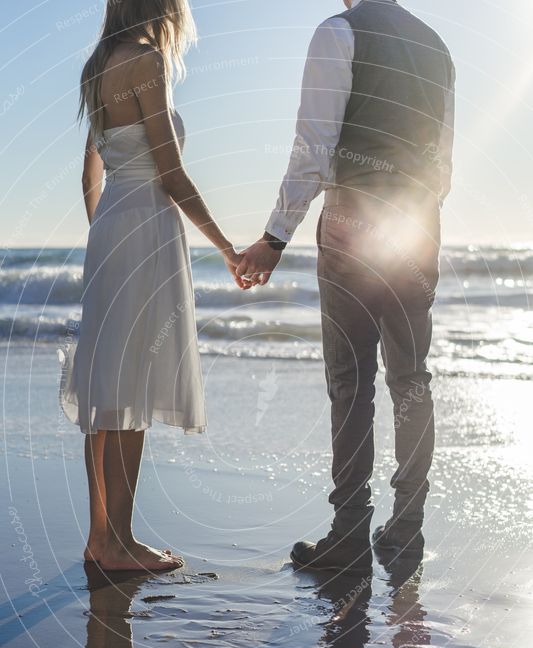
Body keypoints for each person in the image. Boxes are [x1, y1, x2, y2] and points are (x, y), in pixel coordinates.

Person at [238, 0, 455, 570]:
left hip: (354, 224)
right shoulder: (437, 45)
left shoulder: (339, 32)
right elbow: (443, 166)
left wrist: (275, 236)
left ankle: (350, 535)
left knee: (352, 382)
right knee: (411, 377)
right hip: (418, 227)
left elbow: (314, 145)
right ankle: (407, 527)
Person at [60, 0, 245, 572]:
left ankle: (101, 539)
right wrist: (226, 248)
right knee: (133, 384)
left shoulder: (98, 65)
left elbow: (89, 173)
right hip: (146, 225)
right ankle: (120, 544)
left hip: (113, 225)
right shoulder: (145, 60)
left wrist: (106, 232)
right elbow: (170, 172)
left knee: (107, 388)